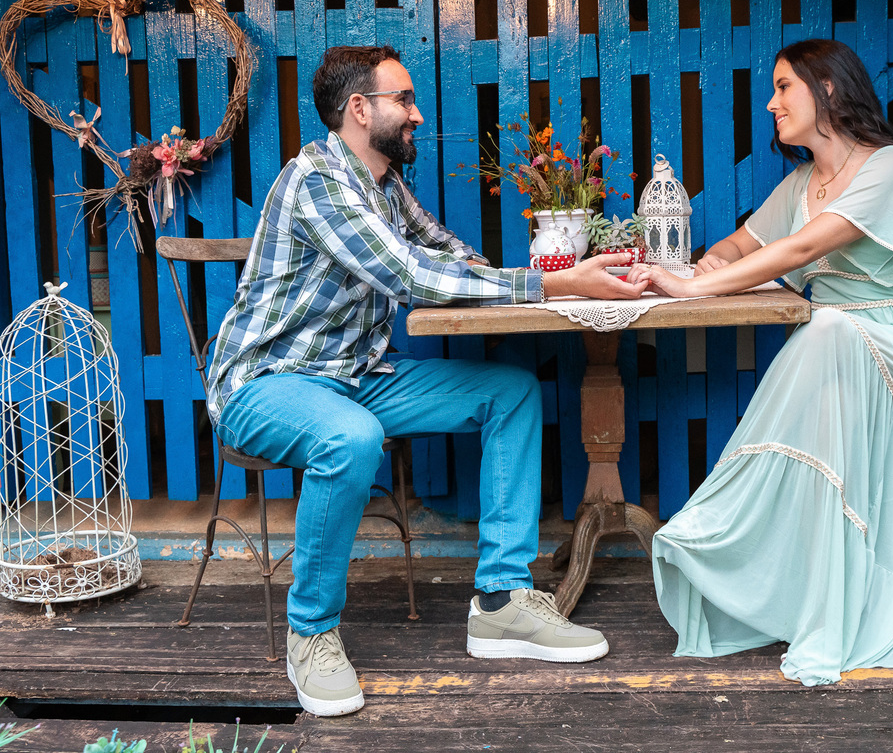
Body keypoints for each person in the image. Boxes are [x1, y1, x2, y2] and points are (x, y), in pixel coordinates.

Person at [206, 45, 644, 716]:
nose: (416, 114)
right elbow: (409, 276)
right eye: (403, 100)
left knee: (512, 393)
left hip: (357, 377)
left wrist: (532, 272)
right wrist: (553, 283)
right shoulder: (320, 180)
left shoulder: (382, 184)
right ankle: (312, 633)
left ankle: (500, 602)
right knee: (350, 439)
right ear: (359, 109)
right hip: (268, 383)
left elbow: (441, 250)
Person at [629, 39, 893, 686]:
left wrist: (695, 289)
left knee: (828, 325)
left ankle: (731, 529)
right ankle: (754, 557)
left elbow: (804, 247)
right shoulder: (799, 185)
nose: (770, 102)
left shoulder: (888, 166)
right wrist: (700, 267)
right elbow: (739, 244)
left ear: (829, 89)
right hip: (836, 355)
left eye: (784, 87)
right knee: (828, 329)